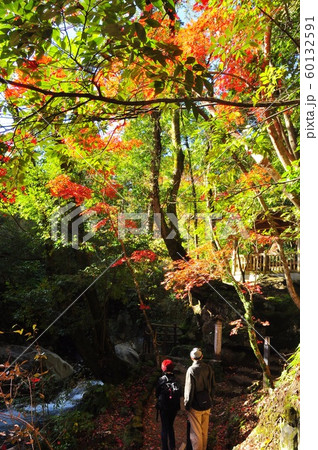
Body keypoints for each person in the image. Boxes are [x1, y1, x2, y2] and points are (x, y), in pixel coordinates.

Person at [184, 348, 215, 450]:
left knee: (196, 433)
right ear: (202, 356)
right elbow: (213, 385)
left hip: (196, 405)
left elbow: (189, 390)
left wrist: (187, 405)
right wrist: (211, 399)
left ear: (192, 358)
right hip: (207, 403)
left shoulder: (191, 370)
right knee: (204, 431)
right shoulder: (208, 368)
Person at [156, 359, 181, 450]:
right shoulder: (176, 379)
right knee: (170, 426)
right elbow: (180, 393)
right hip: (174, 407)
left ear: (163, 369)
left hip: (164, 407)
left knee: (164, 427)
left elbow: (157, 394)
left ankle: (165, 448)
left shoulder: (161, 380)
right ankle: (173, 446)